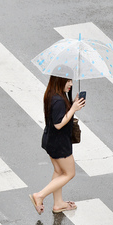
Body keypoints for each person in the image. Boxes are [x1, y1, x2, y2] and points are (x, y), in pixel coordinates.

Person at [29, 75, 85, 214]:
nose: (70, 84)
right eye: (67, 81)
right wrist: (73, 109)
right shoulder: (59, 100)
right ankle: (40, 195)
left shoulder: (52, 94)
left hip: (51, 141)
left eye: (71, 81)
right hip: (60, 144)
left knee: (59, 171)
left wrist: (73, 104)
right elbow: (58, 124)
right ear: (59, 80)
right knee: (69, 173)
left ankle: (58, 203)